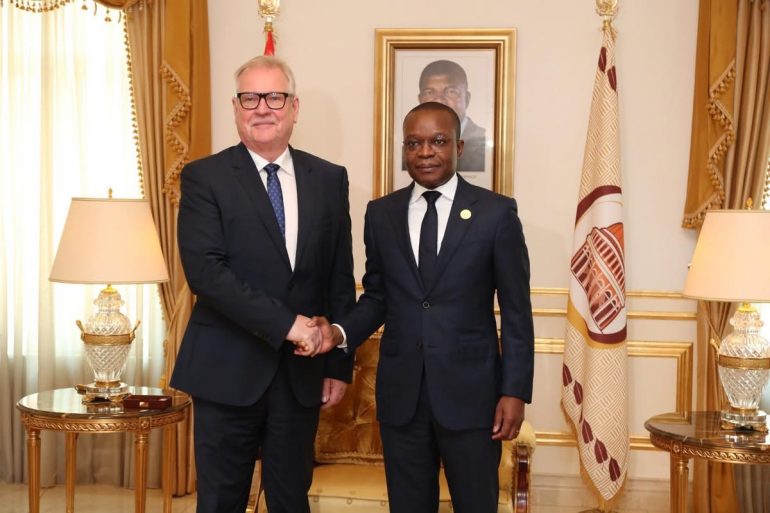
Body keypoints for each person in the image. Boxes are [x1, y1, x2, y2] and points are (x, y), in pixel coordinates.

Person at [312, 102, 534, 513]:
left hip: (473, 397)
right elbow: (377, 296)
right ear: (405, 149)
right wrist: (338, 333)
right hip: (403, 397)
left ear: (459, 147)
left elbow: (517, 312)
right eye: (414, 143)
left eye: (438, 141)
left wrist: (515, 391)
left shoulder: (496, 213)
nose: (426, 152)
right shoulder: (382, 214)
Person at [170, 55, 356, 513]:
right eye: (250, 98)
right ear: (236, 108)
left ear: (295, 107)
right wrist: (289, 325)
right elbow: (207, 274)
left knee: (291, 499)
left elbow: (338, 275)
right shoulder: (204, 177)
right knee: (221, 501)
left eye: (274, 97)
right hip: (225, 370)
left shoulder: (329, 179)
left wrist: (338, 364)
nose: (262, 108)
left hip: (300, 376)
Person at [417, 59, 487, 171]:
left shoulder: (484, 143)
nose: (439, 100)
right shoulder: (409, 150)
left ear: (467, 99)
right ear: (420, 100)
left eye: (451, 92)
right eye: (429, 92)